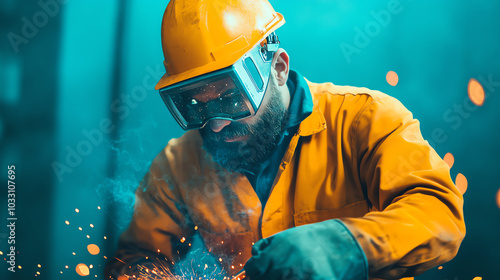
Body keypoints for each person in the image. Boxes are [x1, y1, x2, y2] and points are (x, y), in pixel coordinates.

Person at [105, 0, 466, 279]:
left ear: (277, 67)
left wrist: (344, 244)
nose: (214, 126)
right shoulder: (178, 163)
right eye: (196, 106)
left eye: (230, 99)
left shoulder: (365, 119)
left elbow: (439, 214)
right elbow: (138, 259)